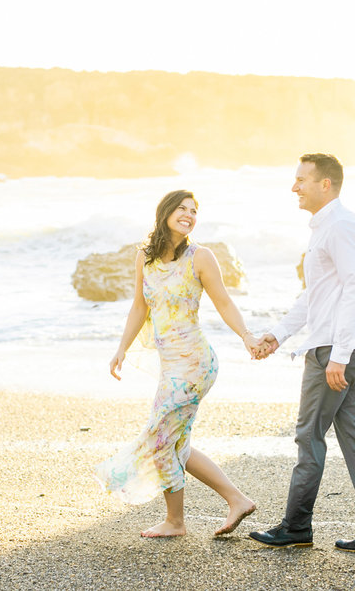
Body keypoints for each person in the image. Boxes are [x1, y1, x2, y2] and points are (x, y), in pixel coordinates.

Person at [249, 153, 355, 553]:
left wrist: (339, 356)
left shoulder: (341, 226)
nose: (294, 187)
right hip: (347, 343)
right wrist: (279, 334)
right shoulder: (327, 227)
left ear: (324, 184)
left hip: (338, 348)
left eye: (301, 179)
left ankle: (296, 526)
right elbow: (317, 294)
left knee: (309, 436)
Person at [94, 189, 259, 538]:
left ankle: (176, 521)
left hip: (196, 364)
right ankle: (235, 499)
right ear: (165, 212)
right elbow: (140, 307)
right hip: (171, 366)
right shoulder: (145, 257)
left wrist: (246, 336)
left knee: (160, 439)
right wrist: (121, 348)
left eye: (194, 210)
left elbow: (225, 303)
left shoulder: (201, 257)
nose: (189, 214)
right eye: (182, 208)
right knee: (174, 442)